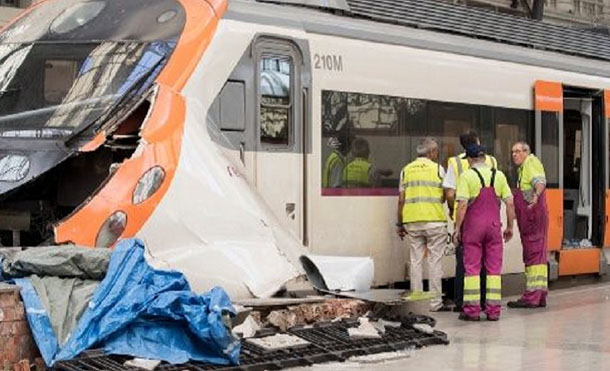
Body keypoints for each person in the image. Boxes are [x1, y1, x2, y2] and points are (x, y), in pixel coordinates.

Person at [453, 144, 515, 321]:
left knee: (472, 268)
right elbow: (510, 203)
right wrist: (510, 227)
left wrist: (457, 229)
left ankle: (472, 311)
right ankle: (493, 311)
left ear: (470, 160)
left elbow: (462, 205)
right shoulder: (499, 175)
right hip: (494, 227)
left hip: (473, 228)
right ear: (485, 158)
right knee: (494, 269)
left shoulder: (467, 176)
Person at [443, 130, 498, 312]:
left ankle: (463, 302)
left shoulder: (455, 162)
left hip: (468, 219)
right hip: (491, 220)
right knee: (488, 262)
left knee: (466, 262)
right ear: (478, 142)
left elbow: (450, 194)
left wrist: (455, 211)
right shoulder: (492, 162)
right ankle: (485, 302)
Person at [396, 138, 451, 312]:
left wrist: (399, 223)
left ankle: (417, 301)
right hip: (434, 221)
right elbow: (445, 194)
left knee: (416, 261)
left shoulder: (406, 170)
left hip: (412, 222)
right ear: (432, 153)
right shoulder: (438, 169)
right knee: (435, 262)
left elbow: (401, 200)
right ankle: (435, 303)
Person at [508, 141, 549, 308]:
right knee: (537, 256)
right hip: (531, 220)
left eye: (518, 151)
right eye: (512, 152)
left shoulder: (531, 163)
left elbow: (539, 182)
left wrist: (536, 196)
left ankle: (532, 296)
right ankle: (539, 295)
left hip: (533, 219)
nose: (514, 155)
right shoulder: (523, 168)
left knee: (533, 256)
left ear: (526, 152)